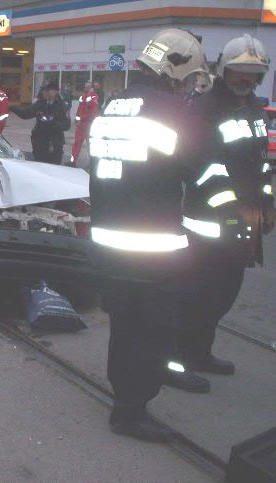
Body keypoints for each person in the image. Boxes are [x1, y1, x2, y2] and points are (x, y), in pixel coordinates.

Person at [89, 28, 208, 442]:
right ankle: (130, 412)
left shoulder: (113, 104)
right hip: (152, 248)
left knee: (124, 328)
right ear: (176, 71)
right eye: (188, 78)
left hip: (110, 241)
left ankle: (125, 396)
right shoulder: (174, 111)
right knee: (154, 331)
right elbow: (197, 169)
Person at [165, 34, 274, 393]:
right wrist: (230, 212)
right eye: (240, 71)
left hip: (242, 223)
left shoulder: (254, 109)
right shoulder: (205, 108)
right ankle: (175, 362)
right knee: (194, 296)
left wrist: (267, 203)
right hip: (209, 224)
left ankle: (200, 353)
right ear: (224, 70)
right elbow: (203, 168)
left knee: (223, 295)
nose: (246, 79)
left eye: (253, 73)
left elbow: (261, 164)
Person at [10, 82, 70, 164]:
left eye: (47, 91)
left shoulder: (62, 106)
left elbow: (67, 125)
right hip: (40, 142)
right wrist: (12, 108)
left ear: (55, 91)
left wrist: (54, 124)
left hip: (55, 143)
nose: (44, 93)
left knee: (54, 166)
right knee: (39, 165)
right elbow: (26, 114)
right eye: (44, 90)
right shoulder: (40, 104)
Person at [70, 82, 100, 166]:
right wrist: (77, 119)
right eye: (85, 87)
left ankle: (92, 163)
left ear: (92, 88)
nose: (85, 89)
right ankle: (73, 161)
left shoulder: (94, 97)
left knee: (90, 144)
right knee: (77, 143)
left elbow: (90, 106)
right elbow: (79, 108)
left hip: (89, 123)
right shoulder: (83, 97)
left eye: (88, 87)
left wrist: (89, 93)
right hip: (82, 124)